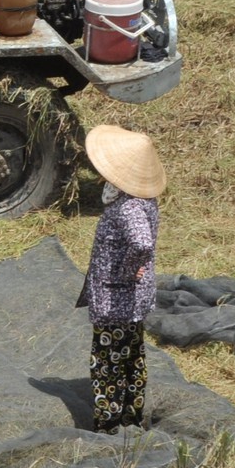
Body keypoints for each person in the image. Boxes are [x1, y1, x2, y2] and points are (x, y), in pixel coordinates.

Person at [79, 124, 165, 434]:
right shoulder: (141, 200)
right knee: (131, 355)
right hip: (131, 299)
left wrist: (129, 271)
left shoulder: (127, 206)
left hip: (117, 299)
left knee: (108, 362)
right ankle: (130, 415)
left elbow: (141, 243)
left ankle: (110, 424)